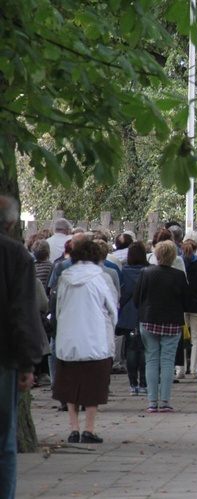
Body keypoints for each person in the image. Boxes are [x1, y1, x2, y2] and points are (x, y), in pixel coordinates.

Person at [0, 196, 46, 497]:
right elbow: (23, 311)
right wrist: (28, 363)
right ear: (13, 223)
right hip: (3, 359)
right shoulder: (15, 254)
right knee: (4, 443)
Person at [53, 239, 118, 444]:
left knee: (70, 383)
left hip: (69, 337)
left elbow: (59, 307)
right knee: (94, 385)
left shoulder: (65, 277)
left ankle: (74, 428)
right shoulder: (102, 278)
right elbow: (112, 308)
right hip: (95, 337)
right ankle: (89, 428)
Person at [133, 241, 190, 413]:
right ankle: (164, 400)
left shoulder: (145, 273)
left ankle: (152, 401)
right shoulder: (179, 276)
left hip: (149, 319)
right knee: (167, 361)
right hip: (172, 321)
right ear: (173, 257)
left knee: (151, 360)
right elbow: (187, 301)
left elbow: (137, 299)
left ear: (156, 255)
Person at [117, 242, 150, 396]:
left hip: (130, 311)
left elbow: (123, 294)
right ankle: (143, 382)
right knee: (144, 348)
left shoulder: (125, 272)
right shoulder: (149, 270)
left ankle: (133, 384)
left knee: (131, 348)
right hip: (146, 311)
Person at [182, 233, 197, 379]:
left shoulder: (179, 264)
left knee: (182, 338)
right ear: (196, 249)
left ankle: (180, 369)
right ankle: (195, 369)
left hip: (182, 305)